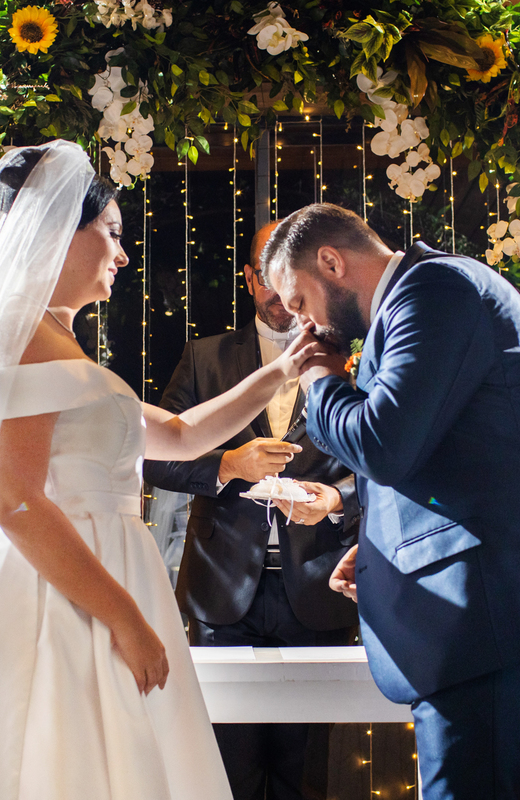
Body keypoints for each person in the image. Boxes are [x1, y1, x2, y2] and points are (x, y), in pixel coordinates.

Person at [0, 143, 325, 800]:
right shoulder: (21, 337)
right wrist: (126, 618)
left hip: (104, 573)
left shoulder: (60, 343)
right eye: (110, 234)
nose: (123, 254)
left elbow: (181, 434)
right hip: (56, 593)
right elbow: (15, 501)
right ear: (56, 232)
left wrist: (282, 369)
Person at [260, 203, 520, 800]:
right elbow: (448, 454)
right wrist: (379, 544)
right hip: (488, 610)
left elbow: (384, 445)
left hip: (496, 611)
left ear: (331, 261)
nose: (308, 328)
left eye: (300, 302)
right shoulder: (420, 296)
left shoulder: (433, 290)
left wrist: (320, 381)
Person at [144, 222, 360, 800]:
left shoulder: (353, 357)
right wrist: (227, 464)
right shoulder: (204, 356)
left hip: (319, 587)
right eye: (266, 274)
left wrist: (337, 498)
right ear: (249, 280)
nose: (279, 288)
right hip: (221, 592)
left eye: (288, 274)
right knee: (225, 769)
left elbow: (383, 468)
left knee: (308, 772)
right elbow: (154, 462)